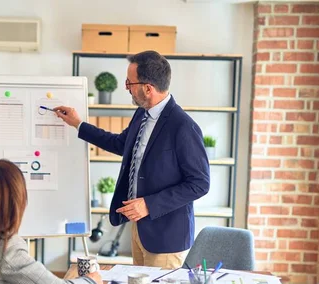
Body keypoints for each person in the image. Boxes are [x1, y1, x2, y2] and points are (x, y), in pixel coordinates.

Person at [54, 50, 210, 269]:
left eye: (129, 83)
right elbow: (120, 144)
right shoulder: (142, 114)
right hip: (139, 229)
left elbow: (199, 184)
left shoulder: (183, 127)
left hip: (166, 236)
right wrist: (79, 124)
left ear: (148, 88)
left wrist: (148, 205)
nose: (126, 88)